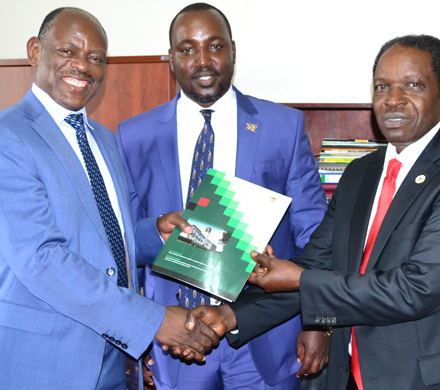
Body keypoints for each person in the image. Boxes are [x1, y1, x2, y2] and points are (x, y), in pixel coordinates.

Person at [193, 35, 440, 389]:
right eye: (382, 86)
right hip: (359, 376)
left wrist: (298, 279)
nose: (393, 100)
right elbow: (316, 264)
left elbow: (417, 289)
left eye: (413, 85)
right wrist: (229, 315)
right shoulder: (361, 174)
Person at [0, 7, 219, 390]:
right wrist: (155, 320)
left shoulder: (105, 140)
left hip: (111, 362)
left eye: (96, 58)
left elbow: (103, 238)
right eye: (68, 51)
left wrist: (154, 234)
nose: (83, 66)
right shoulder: (1, 138)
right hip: (33, 364)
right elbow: (42, 259)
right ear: (35, 51)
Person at [116, 3, 328, 389]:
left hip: (266, 334)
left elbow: (315, 234)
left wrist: (320, 323)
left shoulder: (283, 126)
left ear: (233, 51)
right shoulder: (134, 136)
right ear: (171, 58)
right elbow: (125, 242)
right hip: (176, 340)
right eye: (186, 49)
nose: (202, 60)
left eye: (214, 46)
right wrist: (140, 337)